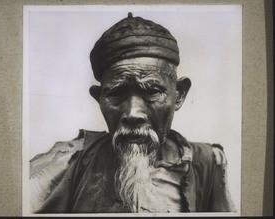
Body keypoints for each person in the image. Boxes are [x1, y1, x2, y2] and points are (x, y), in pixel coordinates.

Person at [29, 12, 236, 213]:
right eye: (117, 93)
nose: (133, 113)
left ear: (179, 95)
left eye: (152, 91)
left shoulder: (208, 164)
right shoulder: (67, 162)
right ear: (99, 98)